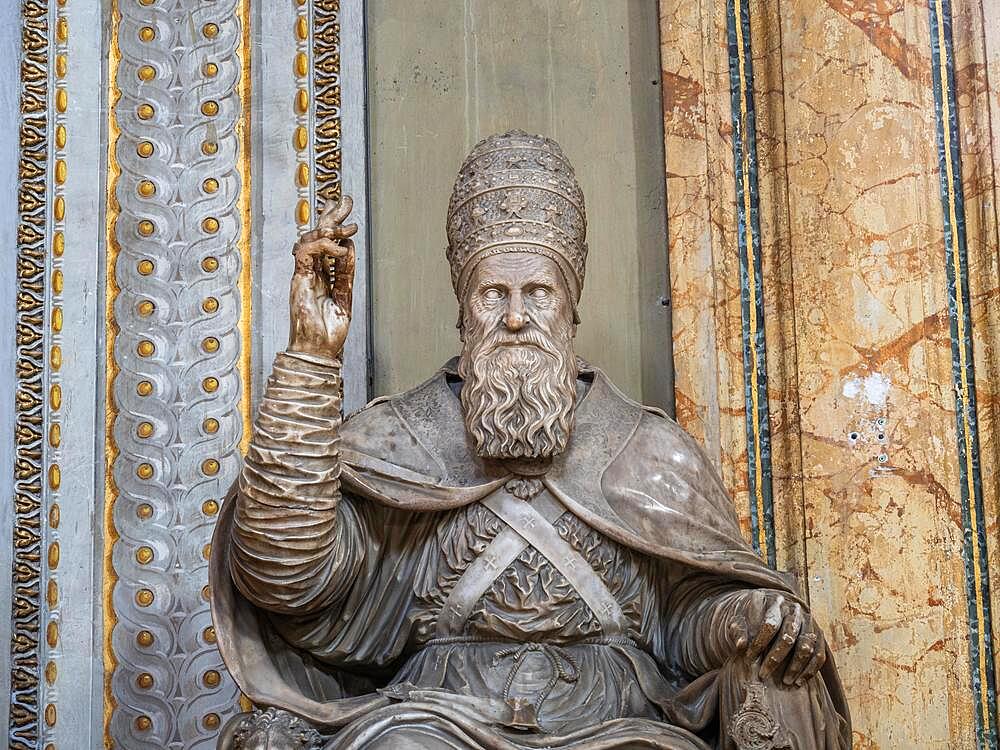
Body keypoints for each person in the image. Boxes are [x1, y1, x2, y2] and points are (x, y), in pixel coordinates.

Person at [211, 131, 851, 749]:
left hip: (620, 717)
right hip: (439, 714)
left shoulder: (650, 452)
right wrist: (311, 358)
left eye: (537, 291)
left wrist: (745, 622)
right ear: (464, 310)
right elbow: (283, 579)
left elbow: (684, 618)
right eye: (493, 293)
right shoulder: (399, 441)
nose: (515, 316)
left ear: (571, 307)